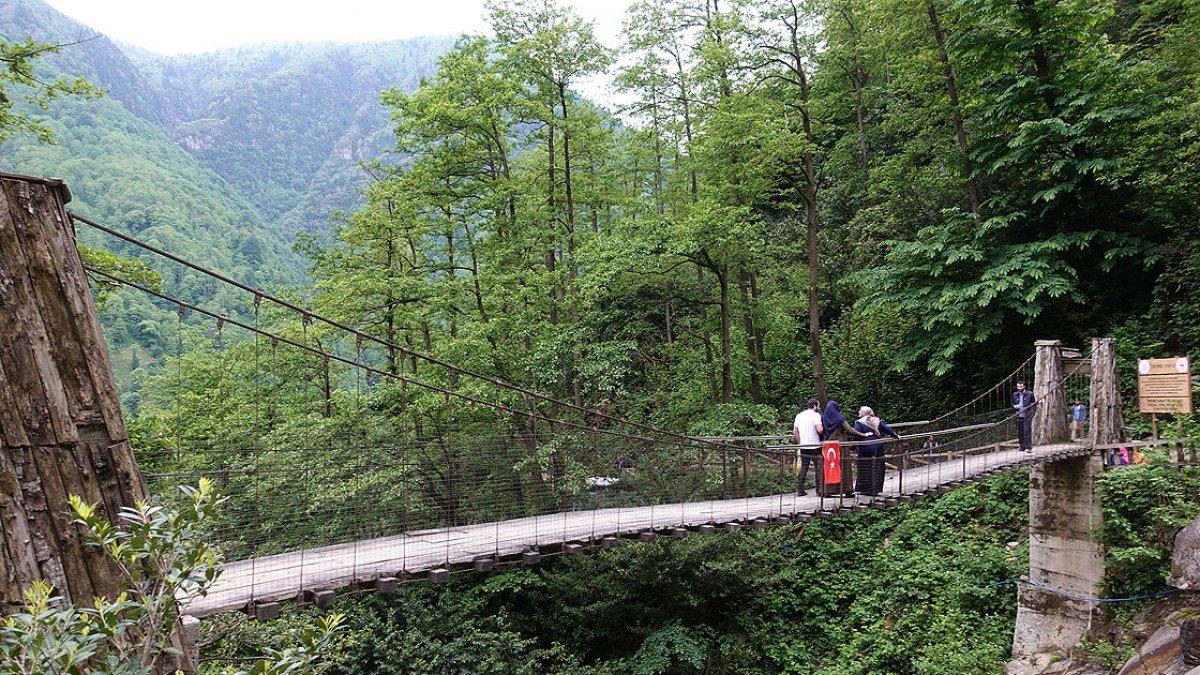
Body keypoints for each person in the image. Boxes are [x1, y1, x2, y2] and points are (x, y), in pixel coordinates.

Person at [821, 401, 867, 497]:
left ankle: (829, 491)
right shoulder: (840, 418)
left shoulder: (824, 418)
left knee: (831, 467)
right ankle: (847, 490)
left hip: (829, 446)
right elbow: (849, 429)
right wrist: (863, 434)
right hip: (841, 445)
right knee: (844, 466)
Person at [854, 407, 901, 496]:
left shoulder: (858, 422)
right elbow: (886, 429)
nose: (858, 411)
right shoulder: (876, 420)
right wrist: (896, 435)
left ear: (863, 413)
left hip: (865, 446)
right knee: (878, 466)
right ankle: (875, 489)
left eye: (860, 410)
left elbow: (856, 433)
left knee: (864, 466)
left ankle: (865, 489)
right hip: (878, 445)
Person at [793, 398, 824, 496]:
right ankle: (819, 490)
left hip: (804, 445)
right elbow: (819, 429)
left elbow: (795, 431)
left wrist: (800, 442)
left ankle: (800, 490)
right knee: (818, 467)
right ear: (814, 406)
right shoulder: (816, 416)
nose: (818, 408)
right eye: (818, 406)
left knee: (804, 467)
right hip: (815, 445)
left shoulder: (799, 416)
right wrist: (824, 431)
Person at [1012, 381, 1037, 452]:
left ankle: (1028, 447)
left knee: (1027, 430)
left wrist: (1032, 414)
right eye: (1018, 387)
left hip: (1027, 415)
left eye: (1021, 387)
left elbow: (1034, 404)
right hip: (1019, 415)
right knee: (1020, 431)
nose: (1019, 388)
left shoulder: (1030, 394)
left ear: (1024, 386)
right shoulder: (1014, 394)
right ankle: (1022, 446)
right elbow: (1012, 404)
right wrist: (1014, 407)